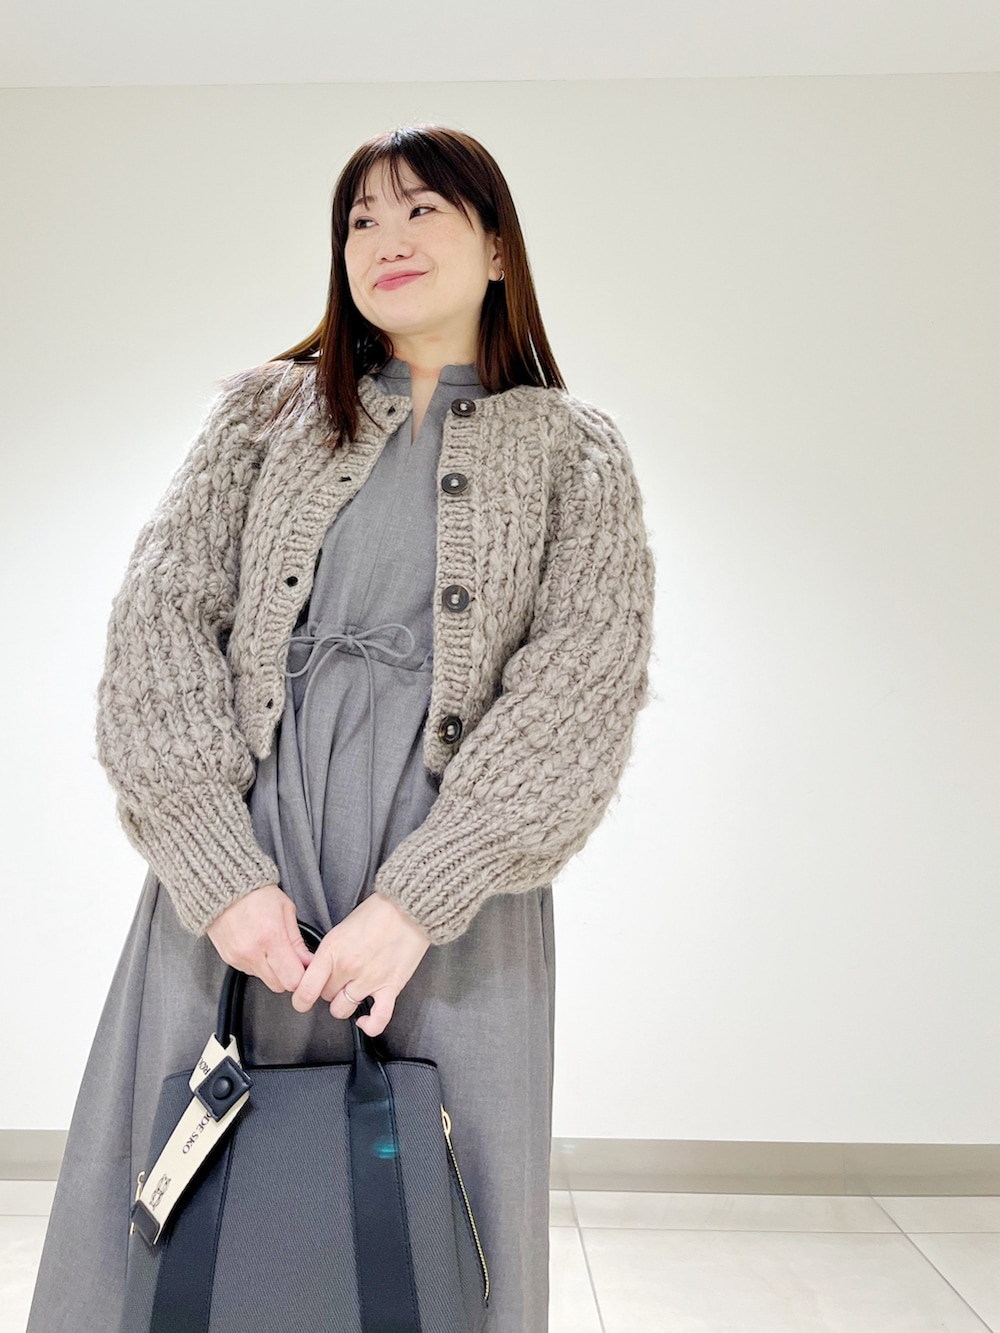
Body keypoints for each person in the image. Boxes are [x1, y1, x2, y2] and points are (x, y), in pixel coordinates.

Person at [25, 123, 656, 1333]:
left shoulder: (574, 452)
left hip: (456, 897)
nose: (385, 238)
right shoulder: (263, 415)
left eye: (420, 210)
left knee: (429, 1229)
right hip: (241, 865)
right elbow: (158, 630)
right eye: (360, 220)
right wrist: (219, 875)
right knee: (181, 1212)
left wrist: (420, 898)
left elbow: (581, 687)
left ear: (497, 248)